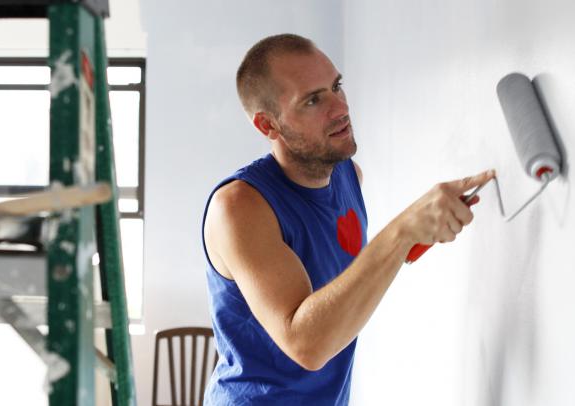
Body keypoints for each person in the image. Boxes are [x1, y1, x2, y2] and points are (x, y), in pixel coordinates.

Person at [201, 33, 496, 404]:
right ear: (268, 126)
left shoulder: (347, 176)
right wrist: (402, 231)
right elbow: (306, 345)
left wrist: (415, 235)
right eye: (312, 100)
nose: (339, 107)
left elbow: (340, 281)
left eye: (336, 86)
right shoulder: (240, 207)